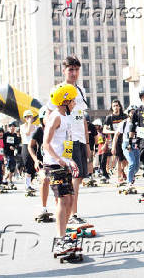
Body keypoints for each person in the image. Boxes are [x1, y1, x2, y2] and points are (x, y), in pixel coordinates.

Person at [46, 56, 89, 224]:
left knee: (78, 177)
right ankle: (71, 214)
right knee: (71, 176)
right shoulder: (58, 90)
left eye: (76, 69)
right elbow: (49, 114)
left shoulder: (80, 90)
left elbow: (83, 117)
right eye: (70, 69)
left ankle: (69, 213)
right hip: (66, 141)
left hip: (79, 138)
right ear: (63, 71)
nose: (74, 72)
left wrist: (87, 144)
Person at [43, 83, 79, 252]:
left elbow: (67, 142)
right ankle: (59, 240)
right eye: (73, 101)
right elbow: (46, 143)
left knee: (70, 200)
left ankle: (63, 235)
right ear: (65, 101)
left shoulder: (67, 117)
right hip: (54, 163)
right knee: (63, 200)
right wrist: (59, 159)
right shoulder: (56, 117)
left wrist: (70, 160)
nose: (75, 103)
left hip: (63, 163)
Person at [29, 106, 51, 216]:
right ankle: (43, 207)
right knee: (45, 180)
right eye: (46, 118)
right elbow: (30, 146)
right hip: (42, 162)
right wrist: (35, 160)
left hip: (55, 161)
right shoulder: (39, 130)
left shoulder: (58, 128)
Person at [115, 105, 140, 187]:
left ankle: (130, 173)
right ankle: (129, 182)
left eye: (135, 112)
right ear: (128, 113)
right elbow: (116, 135)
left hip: (136, 144)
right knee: (132, 163)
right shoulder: (124, 123)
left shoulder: (140, 122)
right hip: (126, 144)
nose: (133, 114)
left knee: (136, 167)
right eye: (132, 112)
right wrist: (114, 146)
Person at [104, 99, 128, 183]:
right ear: (112, 107)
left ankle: (122, 170)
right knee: (119, 159)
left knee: (125, 160)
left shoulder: (125, 116)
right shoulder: (109, 118)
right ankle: (119, 177)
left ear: (120, 106)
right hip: (116, 140)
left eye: (117, 105)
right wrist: (115, 132)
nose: (115, 107)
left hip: (125, 139)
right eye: (114, 106)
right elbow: (105, 130)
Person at [20, 110, 37, 191]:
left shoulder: (36, 127)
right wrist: (29, 123)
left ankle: (30, 184)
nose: (29, 118)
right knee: (28, 166)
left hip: (34, 147)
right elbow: (27, 132)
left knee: (34, 167)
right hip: (26, 146)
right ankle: (27, 185)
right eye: (27, 117)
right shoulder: (22, 126)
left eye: (30, 116)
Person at [3, 122, 20, 186]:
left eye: (13, 126)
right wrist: (8, 147)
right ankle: (8, 180)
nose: (12, 128)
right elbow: (3, 144)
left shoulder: (15, 135)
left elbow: (17, 144)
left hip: (13, 153)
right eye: (11, 126)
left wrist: (14, 147)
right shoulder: (5, 134)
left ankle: (7, 179)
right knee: (8, 167)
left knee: (12, 167)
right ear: (8, 127)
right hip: (6, 153)